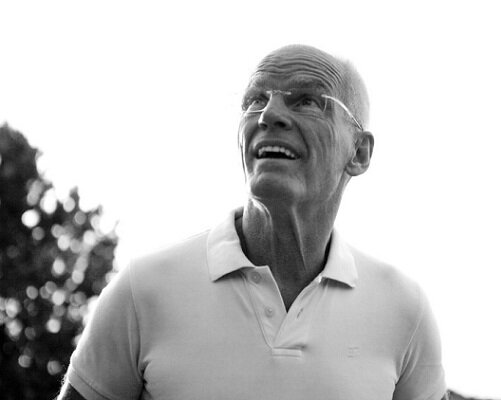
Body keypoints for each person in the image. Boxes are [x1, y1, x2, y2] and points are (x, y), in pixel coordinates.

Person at [58, 44, 447, 400]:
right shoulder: (142, 290)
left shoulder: (404, 310)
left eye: (308, 101)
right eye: (256, 100)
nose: (269, 115)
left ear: (359, 152)